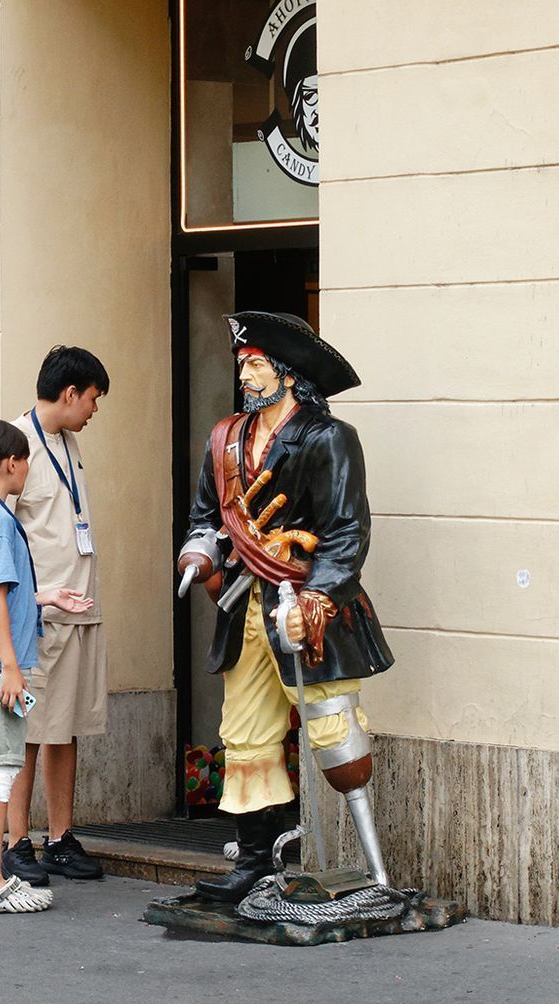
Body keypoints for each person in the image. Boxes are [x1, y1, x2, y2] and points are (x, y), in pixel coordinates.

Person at [176, 312, 393, 902]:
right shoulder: (225, 438)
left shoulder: (328, 438)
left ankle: (376, 870)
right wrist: (199, 553)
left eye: (256, 364)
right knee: (245, 735)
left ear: (289, 373)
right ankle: (255, 862)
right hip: (244, 604)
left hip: (307, 605)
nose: (245, 375)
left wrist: (319, 598)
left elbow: (347, 531)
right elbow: (206, 516)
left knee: (335, 735)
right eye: (242, 364)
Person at [0, 419, 93, 914]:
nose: (29, 468)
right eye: (26, 460)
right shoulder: (1, 521)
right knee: (0, 768)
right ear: (12, 463)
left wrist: (44, 597)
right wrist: (11, 667)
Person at [2, 346, 112, 888]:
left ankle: (61, 838)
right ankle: (15, 839)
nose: (94, 409)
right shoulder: (16, 446)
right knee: (27, 730)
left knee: (65, 728)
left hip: (81, 609)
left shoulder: (70, 443)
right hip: (41, 614)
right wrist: (34, 600)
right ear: (70, 394)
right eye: (92, 398)